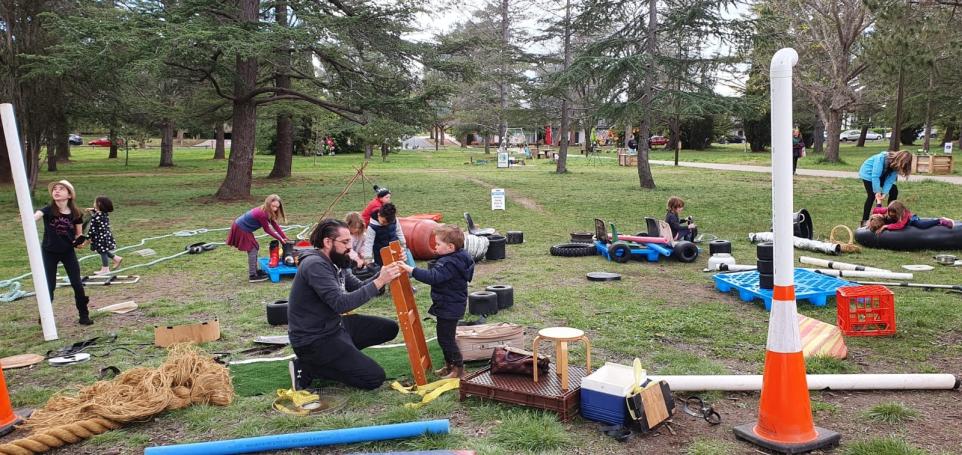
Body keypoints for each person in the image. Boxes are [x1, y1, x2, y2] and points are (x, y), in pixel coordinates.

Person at [287, 219, 402, 390]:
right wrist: (379, 281)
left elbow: (358, 287)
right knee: (374, 378)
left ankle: (341, 357)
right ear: (327, 242)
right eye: (345, 242)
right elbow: (341, 304)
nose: (350, 247)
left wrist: (383, 273)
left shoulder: (336, 260)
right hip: (313, 340)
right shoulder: (315, 265)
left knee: (389, 328)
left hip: (333, 327)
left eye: (351, 241)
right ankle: (309, 367)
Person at [397, 224, 475, 379]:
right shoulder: (456, 257)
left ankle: (458, 369)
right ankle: (450, 366)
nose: (435, 247)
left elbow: (432, 277)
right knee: (445, 337)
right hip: (449, 304)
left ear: (451, 247)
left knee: (446, 339)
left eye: (438, 244)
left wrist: (410, 269)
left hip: (449, 306)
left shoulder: (450, 263)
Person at [34, 180, 91, 325]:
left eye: (61, 189)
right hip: (49, 252)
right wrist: (31, 218)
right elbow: (37, 215)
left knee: (77, 284)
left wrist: (81, 242)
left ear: (70, 195)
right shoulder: (48, 209)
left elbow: (78, 234)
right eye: (54, 189)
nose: (56, 191)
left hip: (67, 252)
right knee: (49, 285)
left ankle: (84, 315)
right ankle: (44, 316)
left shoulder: (76, 213)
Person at [226, 194, 290, 283]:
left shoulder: (268, 211)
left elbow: (274, 224)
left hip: (244, 228)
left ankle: (255, 271)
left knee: (255, 247)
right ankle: (252, 275)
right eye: (273, 206)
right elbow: (267, 229)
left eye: (277, 207)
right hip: (241, 228)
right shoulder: (262, 214)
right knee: (253, 248)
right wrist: (280, 239)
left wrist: (284, 237)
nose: (275, 209)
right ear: (268, 204)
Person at [859, 150, 913, 226]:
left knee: (894, 190)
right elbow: (875, 176)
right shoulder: (881, 158)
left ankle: (891, 215)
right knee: (871, 195)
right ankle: (864, 221)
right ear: (899, 159)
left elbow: (890, 181)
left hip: (881, 175)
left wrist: (884, 193)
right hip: (868, 173)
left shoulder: (896, 165)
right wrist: (877, 191)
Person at [868, 200, 954, 234]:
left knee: (921, 225)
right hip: (896, 221)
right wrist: (878, 202)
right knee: (883, 219)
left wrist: (885, 226)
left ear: (899, 212)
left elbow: (900, 225)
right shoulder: (888, 211)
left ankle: (940, 221)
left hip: (910, 220)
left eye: (893, 213)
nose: (890, 214)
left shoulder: (904, 214)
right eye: (889, 212)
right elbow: (877, 210)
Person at [86, 196, 122, 275]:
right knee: (102, 250)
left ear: (99, 204)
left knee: (102, 251)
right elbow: (98, 211)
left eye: (95, 202)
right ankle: (116, 258)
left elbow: (92, 229)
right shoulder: (104, 213)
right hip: (105, 235)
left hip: (100, 237)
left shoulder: (96, 217)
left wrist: (87, 238)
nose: (94, 203)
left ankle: (105, 269)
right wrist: (92, 209)